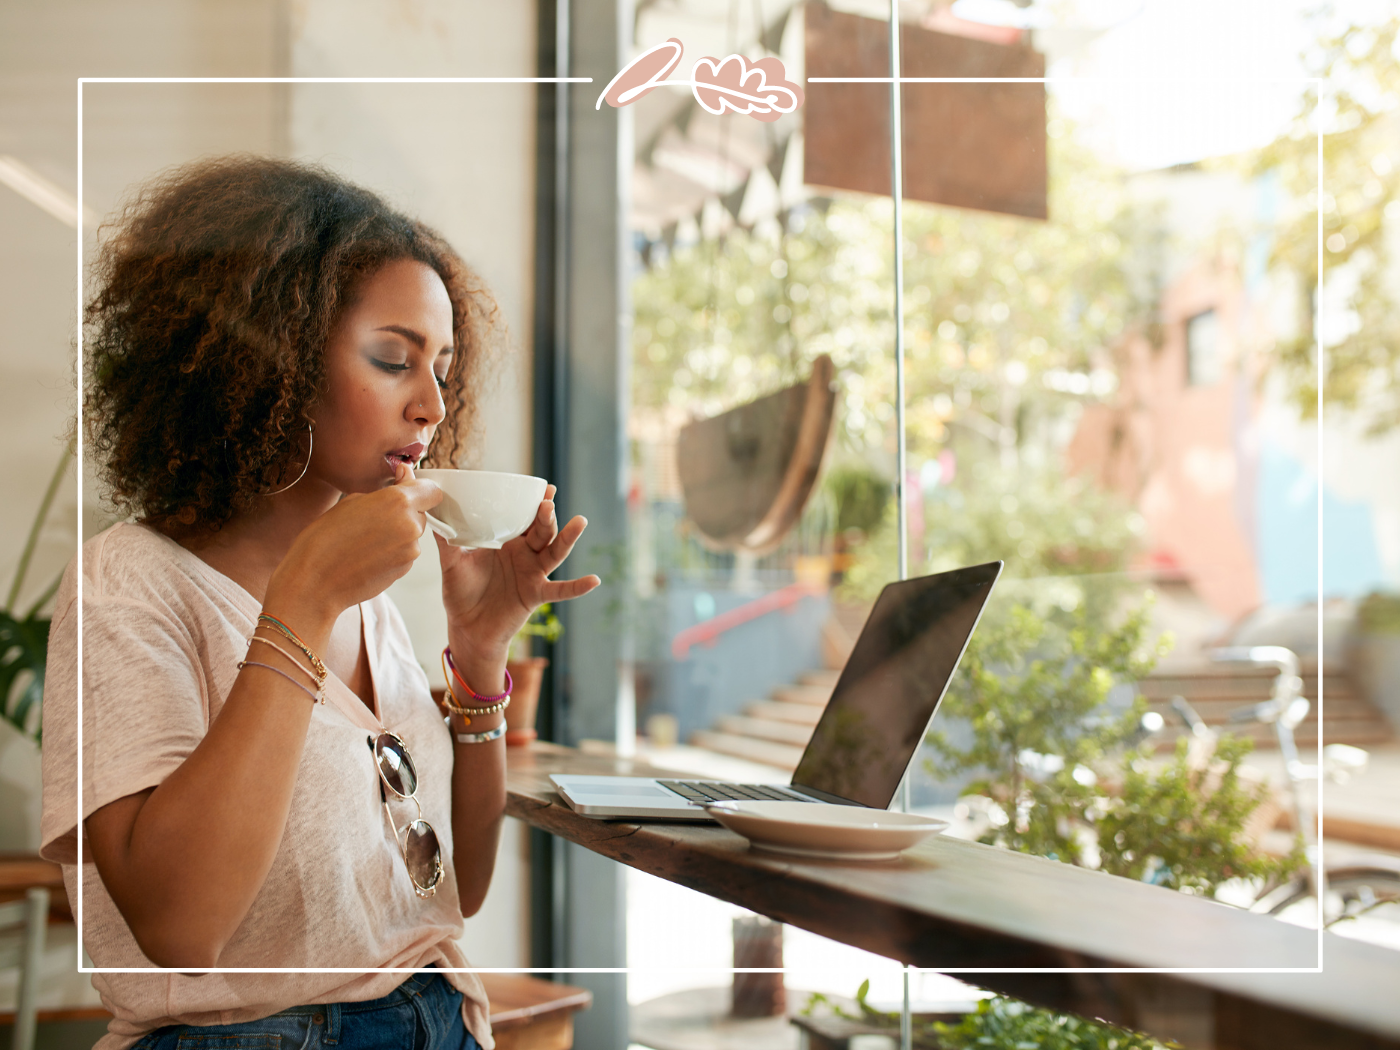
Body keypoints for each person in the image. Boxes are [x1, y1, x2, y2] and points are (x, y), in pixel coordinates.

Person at [39, 156, 599, 1050]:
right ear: (269, 357)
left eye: (443, 369)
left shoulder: (368, 602)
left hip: (443, 1019)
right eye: (392, 358)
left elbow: (451, 895)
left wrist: (482, 655)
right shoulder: (130, 584)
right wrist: (302, 604)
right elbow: (181, 929)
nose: (430, 404)